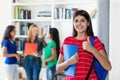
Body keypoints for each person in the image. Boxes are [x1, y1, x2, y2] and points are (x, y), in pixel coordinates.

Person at [56, 10, 112, 80]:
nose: (79, 24)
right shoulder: (68, 41)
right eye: (76, 21)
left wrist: (93, 50)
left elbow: (108, 67)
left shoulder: (94, 41)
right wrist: (68, 62)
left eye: (82, 20)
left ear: (88, 23)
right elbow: (58, 68)